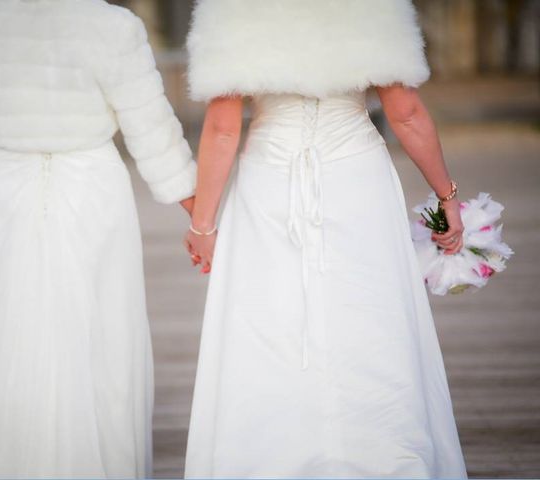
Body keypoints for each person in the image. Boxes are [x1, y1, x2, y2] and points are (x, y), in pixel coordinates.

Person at [0, 0, 196, 478]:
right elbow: (151, 126)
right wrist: (197, 212)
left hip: (5, 190)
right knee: (95, 326)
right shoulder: (113, 26)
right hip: (92, 192)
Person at [183, 0, 467, 477]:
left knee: (270, 316)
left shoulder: (232, 9)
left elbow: (223, 127)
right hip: (357, 177)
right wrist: (447, 195)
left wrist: (203, 225)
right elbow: (407, 113)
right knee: (369, 312)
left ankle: (267, 457)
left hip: (270, 180)